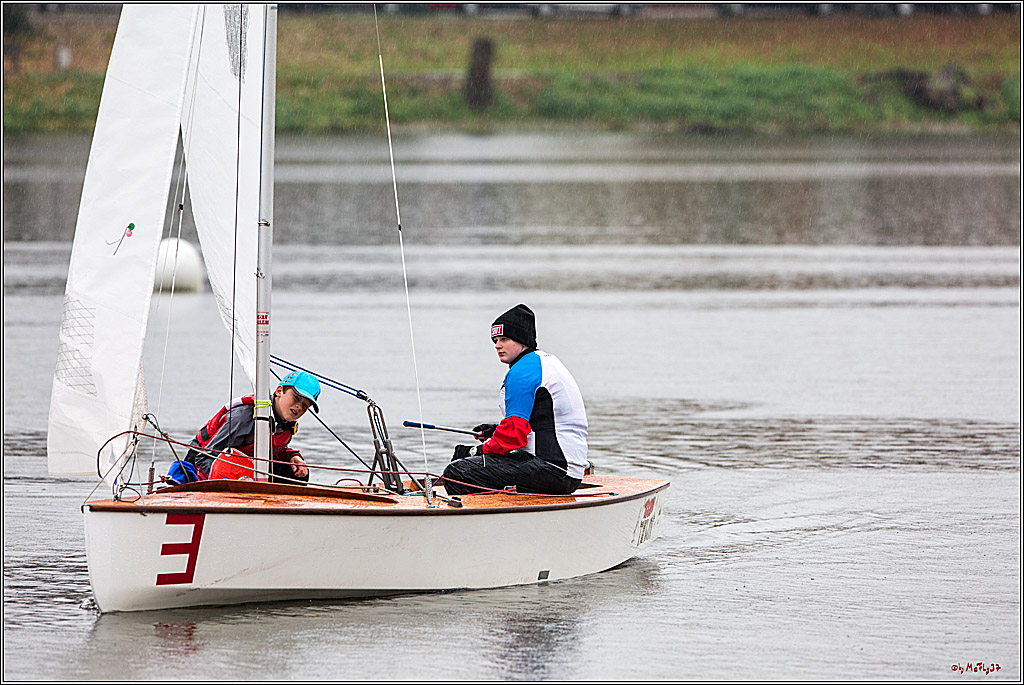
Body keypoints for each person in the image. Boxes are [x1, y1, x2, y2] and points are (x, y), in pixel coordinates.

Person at [443, 304, 588, 496]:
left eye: (504, 339)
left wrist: (476, 451)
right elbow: (539, 422)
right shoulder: (542, 362)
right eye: (495, 340)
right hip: (566, 468)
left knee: (456, 472)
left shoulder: (522, 372)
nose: (497, 345)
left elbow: (514, 435)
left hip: (553, 469)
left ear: (522, 340)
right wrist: (495, 431)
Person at [169, 370, 320, 485]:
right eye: (296, 398)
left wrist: (292, 456)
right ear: (279, 391)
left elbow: (268, 450)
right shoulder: (244, 417)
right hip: (202, 469)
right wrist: (235, 482)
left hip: (247, 472)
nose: (299, 406)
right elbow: (202, 458)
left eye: (305, 405)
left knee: (297, 473)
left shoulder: (286, 424)